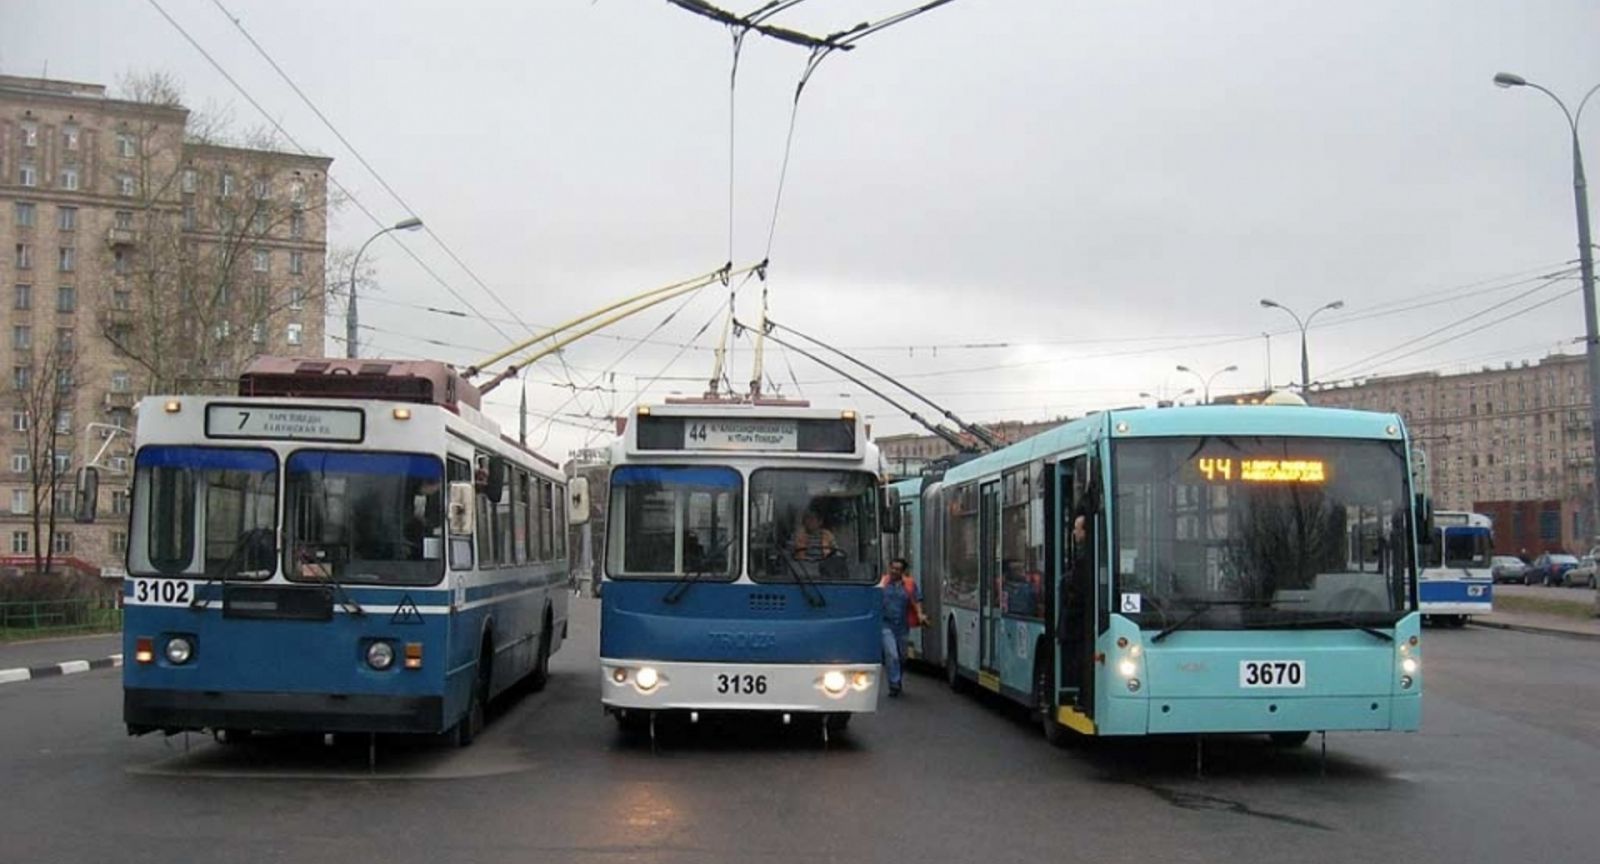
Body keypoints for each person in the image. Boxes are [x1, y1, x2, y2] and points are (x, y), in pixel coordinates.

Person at [880, 557, 925, 697]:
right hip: (885, 625)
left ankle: (897, 678)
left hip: (902, 626)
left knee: (902, 656)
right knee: (892, 654)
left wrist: (920, 614)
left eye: (898, 569)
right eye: (892, 568)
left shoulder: (909, 584)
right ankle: (894, 683)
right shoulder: (882, 583)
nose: (894, 571)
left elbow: (916, 600)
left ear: (903, 571)